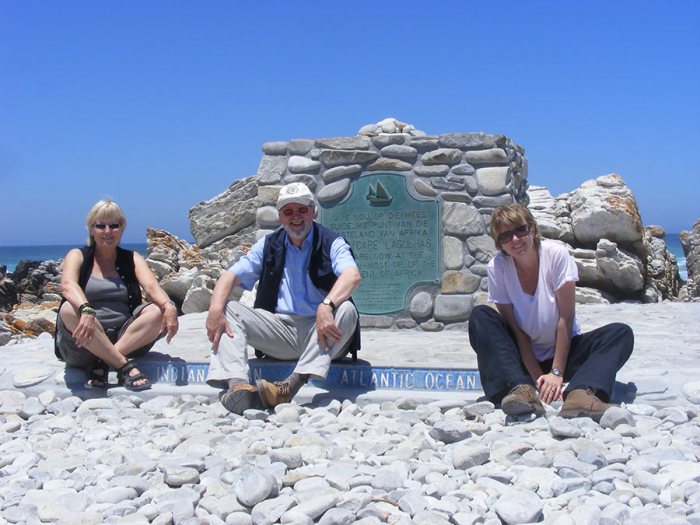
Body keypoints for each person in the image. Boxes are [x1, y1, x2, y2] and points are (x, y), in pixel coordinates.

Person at [205, 182, 362, 414]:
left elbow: (352, 275)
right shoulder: (268, 245)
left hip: (323, 335)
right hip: (280, 332)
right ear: (280, 216)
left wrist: (327, 305)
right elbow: (230, 276)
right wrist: (214, 311)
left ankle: (292, 384)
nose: (295, 217)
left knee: (347, 310)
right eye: (288, 211)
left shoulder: (332, 242)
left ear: (313, 211)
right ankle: (237, 386)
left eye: (302, 210)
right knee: (227, 309)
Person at [468, 203, 634, 421]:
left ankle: (581, 394)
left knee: (620, 333)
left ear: (533, 230)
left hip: (564, 353)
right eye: (506, 236)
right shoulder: (497, 268)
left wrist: (556, 374)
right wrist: (537, 379)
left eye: (520, 230)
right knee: (481, 316)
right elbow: (518, 332)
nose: (515, 240)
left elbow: (565, 319)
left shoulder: (556, 255)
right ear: (500, 245)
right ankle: (521, 390)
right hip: (521, 362)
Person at [55, 199, 179, 390]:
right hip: (83, 341)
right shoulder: (77, 255)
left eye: (114, 225)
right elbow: (68, 285)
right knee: (67, 310)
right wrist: (86, 310)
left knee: (158, 310)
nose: (107, 231)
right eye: (100, 226)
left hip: (126, 338)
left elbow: (152, 287)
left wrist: (168, 305)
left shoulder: (132, 258)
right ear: (91, 229)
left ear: (121, 229)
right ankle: (123, 365)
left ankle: (103, 362)